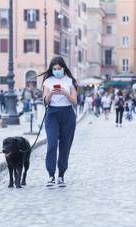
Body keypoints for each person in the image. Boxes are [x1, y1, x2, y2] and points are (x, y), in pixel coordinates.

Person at [42, 56, 78, 188]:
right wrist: (51, 93)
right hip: (52, 114)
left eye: (59, 68)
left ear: (64, 68)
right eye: (54, 69)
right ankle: (51, 175)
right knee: (51, 144)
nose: (57, 70)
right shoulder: (48, 81)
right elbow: (45, 101)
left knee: (65, 146)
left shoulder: (70, 81)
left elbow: (74, 101)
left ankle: (61, 174)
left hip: (67, 114)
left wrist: (65, 93)